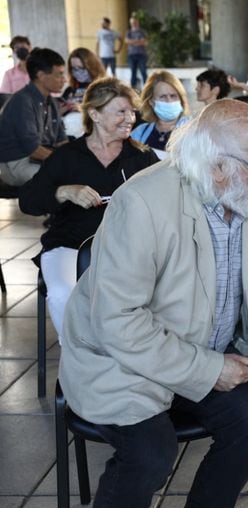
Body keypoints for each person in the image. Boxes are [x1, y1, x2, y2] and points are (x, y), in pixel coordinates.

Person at [58, 99, 248, 508]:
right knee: (150, 455)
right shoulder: (142, 203)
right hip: (123, 360)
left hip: (207, 350)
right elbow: (117, 321)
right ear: (218, 166)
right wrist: (210, 369)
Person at [18, 77, 158, 337]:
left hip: (127, 249)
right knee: (64, 294)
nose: (130, 118)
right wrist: (63, 192)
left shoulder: (142, 157)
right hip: (69, 244)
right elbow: (28, 201)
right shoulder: (66, 156)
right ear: (94, 113)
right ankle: (79, 363)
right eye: (121, 112)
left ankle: (125, 360)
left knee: (139, 300)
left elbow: (164, 204)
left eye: (132, 112)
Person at [0, 48, 68, 187]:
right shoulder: (22, 101)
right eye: (59, 75)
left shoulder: (52, 102)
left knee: (81, 171)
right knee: (66, 178)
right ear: (41, 75)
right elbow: (33, 149)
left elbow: (62, 141)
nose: (64, 79)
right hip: (16, 165)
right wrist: (63, 163)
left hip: (40, 159)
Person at [131, 70, 190, 159]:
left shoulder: (193, 130)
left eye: (173, 96)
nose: (169, 101)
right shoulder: (139, 133)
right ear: (151, 102)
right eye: (163, 96)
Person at [60, 47, 107, 138]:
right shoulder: (70, 90)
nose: (78, 72)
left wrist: (83, 109)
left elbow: (108, 115)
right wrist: (62, 110)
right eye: (74, 68)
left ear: (92, 66)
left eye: (81, 68)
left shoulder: (103, 89)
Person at [125, 13, 148, 90]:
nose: (134, 24)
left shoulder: (142, 32)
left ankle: (146, 89)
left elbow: (144, 42)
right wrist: (138, 41)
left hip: (141, 55)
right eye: (132, 23)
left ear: (138, 23)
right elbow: (127, 41)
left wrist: (133, 42)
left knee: (143, 72)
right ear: (130, 24)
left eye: (135, 22)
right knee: (133, 73)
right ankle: (133, 90)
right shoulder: (128, 32)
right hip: (131, 55)